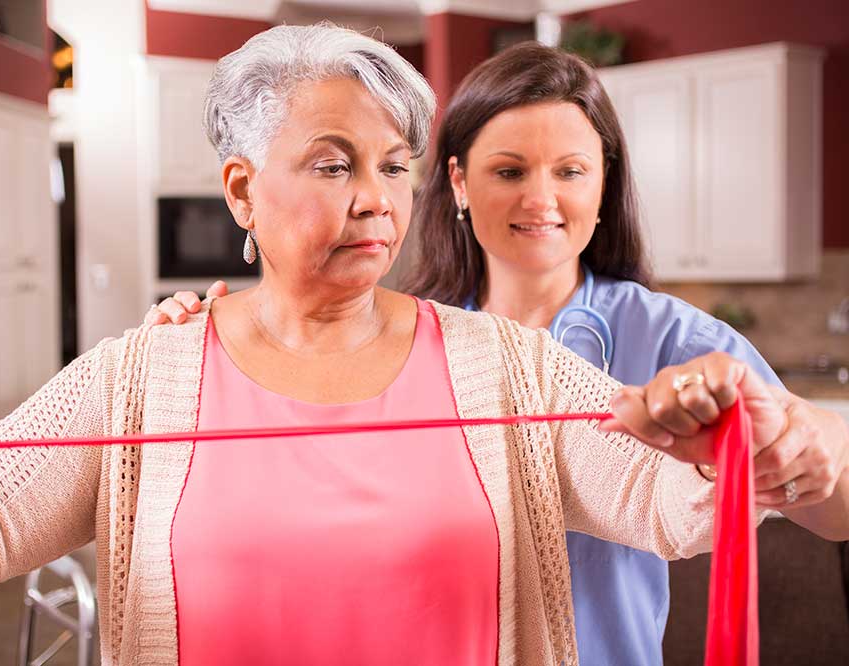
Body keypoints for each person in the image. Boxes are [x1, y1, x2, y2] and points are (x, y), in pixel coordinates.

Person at [0, 25, 848, 666]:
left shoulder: (505, 363)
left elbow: (669, 508)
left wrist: (742, 454)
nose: (375, 198)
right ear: (241, 189)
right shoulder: (140, 375)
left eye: (392, 165)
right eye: (332, 164)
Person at [149, 41, 849, 665]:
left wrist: (808, 447)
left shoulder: (679, 341)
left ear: (603, 180)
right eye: (510, 171)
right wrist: (220, 342)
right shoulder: (399, 332)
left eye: (570, 171)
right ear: (456, 181)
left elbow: (816, 492)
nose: (541, 198)